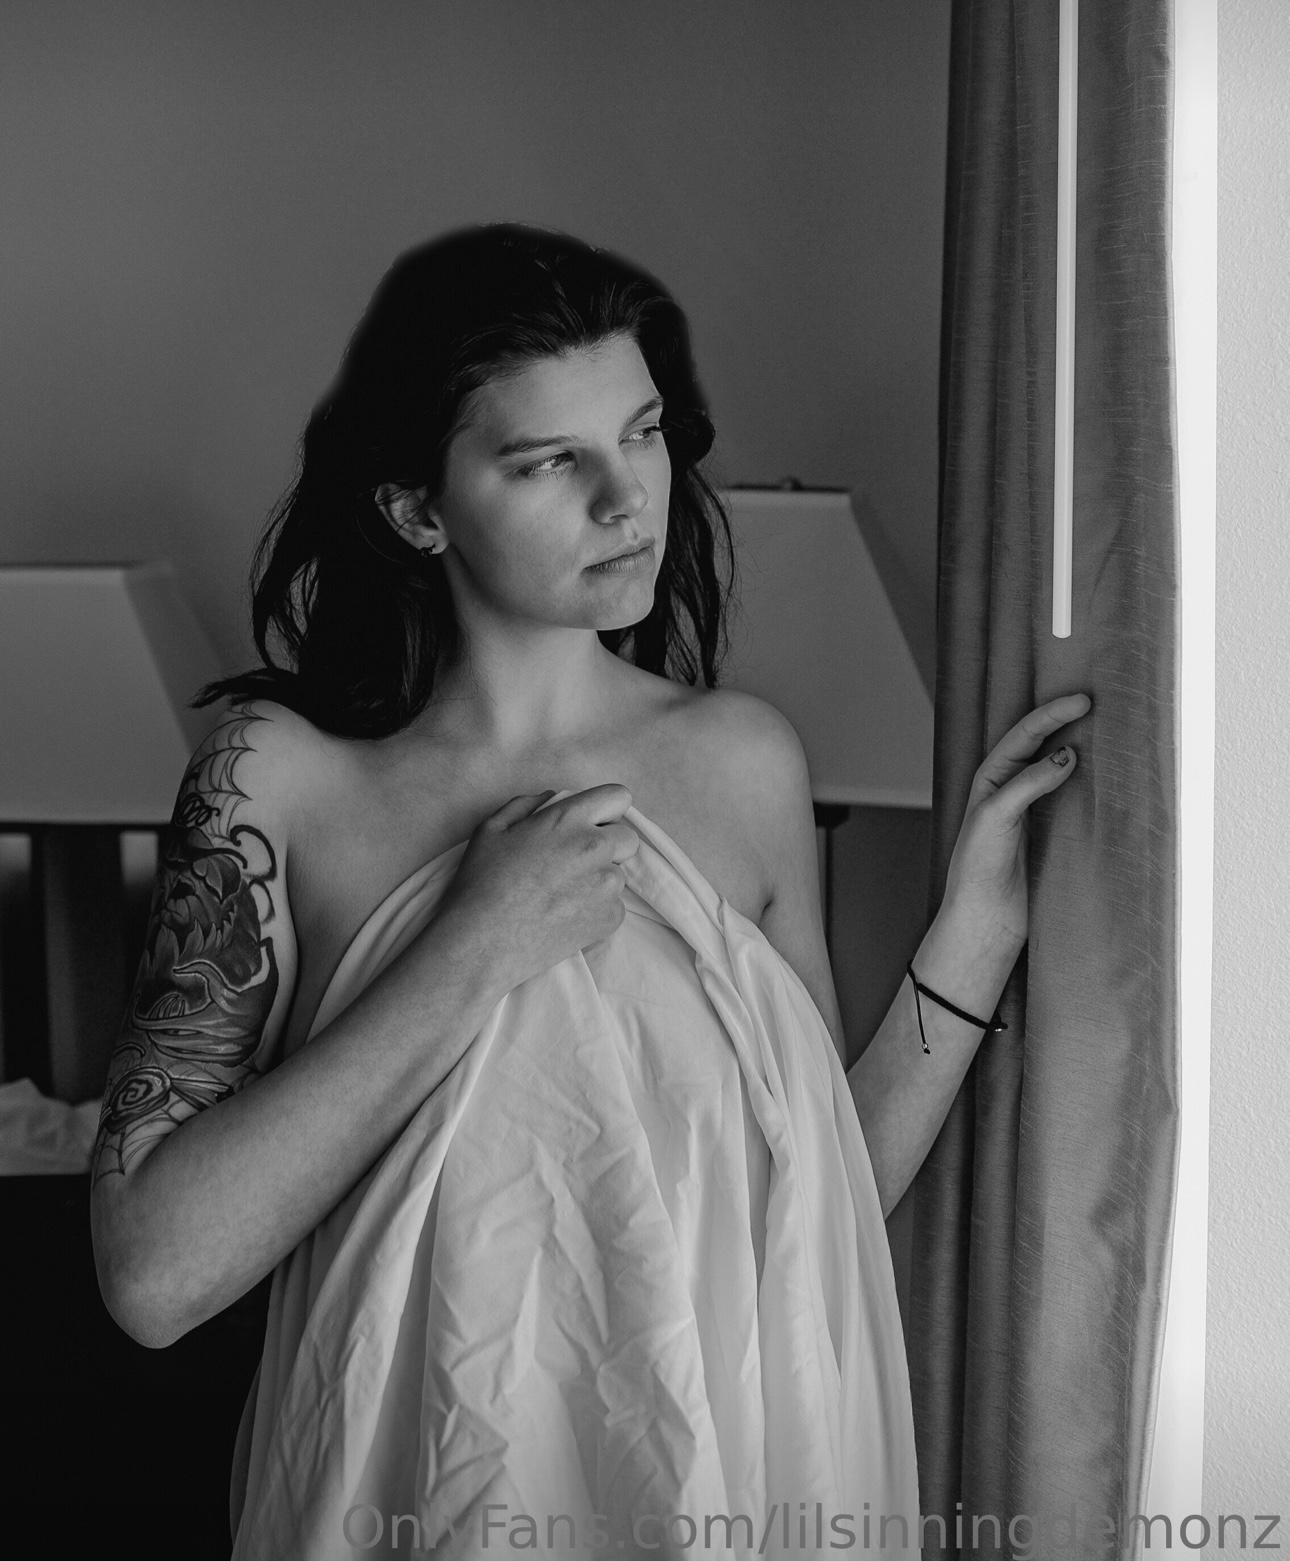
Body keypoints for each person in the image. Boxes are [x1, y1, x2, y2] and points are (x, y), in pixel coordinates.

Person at [89, 224, 1090, 1560]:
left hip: (719, 1488)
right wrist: (473, 945)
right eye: (550, 460)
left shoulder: (740, 763)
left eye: (644, 432)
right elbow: (152, 1273)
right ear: (416, 509)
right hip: (407, 1504)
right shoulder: (280, 779)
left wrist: (972, 935)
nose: (630, 501)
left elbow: (814, 1193)